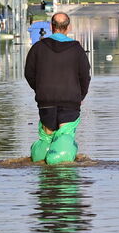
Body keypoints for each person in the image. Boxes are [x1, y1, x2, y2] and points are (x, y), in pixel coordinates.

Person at [24, 12, 91, 164]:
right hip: (70, 99)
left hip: (45, 100)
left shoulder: (38, 48)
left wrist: (40, 90)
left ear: (51, 27)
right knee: (65, 135)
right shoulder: (77, 49)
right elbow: (85, 77)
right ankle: (61, 165)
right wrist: (80, 96)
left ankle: (41, 159)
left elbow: (29, 74)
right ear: (68, 28)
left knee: (47, 136)